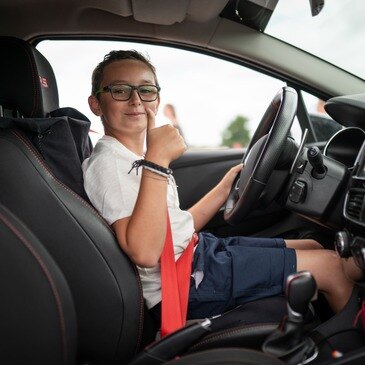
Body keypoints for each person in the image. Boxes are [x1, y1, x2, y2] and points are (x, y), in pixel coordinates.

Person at [82, 50, 353, 323]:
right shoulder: (110, 165)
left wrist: (224, 188)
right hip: (185, 284)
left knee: (312, 244)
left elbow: (175, 229)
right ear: (96, 104)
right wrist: (157, 161)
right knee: (330, 265)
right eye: (119, 90)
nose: (136, 100)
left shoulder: (130, 159)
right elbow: (146, 252)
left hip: (195, 256)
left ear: (157, 98)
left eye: (146, 90)